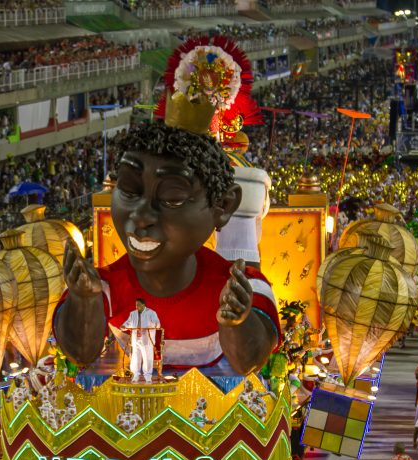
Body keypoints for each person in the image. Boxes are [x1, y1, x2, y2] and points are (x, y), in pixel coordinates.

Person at [55, 117, 280, 375]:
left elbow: (249, 361)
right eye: (129, 191)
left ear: (223, 206)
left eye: (172, 199)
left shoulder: (242, 288)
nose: (141, 216)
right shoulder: (104, 287)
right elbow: (80, 352)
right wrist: (84, 302)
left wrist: (237, 322)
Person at [122, 298, 160, 383]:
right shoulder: (133, 313)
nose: (136, 306)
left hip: (146, 339)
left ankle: (148, 376)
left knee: (147, 357)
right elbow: (128, 322)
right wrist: (124, 326)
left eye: (138, 305)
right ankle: (135, 375)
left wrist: (152, 325)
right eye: (136, 305)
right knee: (135, 357)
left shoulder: (151, 313)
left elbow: (157, 323)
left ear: (143, 305)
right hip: (136, 338)